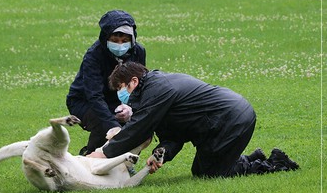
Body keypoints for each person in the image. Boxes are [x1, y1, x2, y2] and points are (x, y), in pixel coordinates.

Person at [88, 62, 299, 178]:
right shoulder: (156, 88)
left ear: (133, 81)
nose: (120, 95)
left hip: (230, 118)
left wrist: (104, 153)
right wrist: (161, 154)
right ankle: (254, 157)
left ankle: (274, 164)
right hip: (226, 119)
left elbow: (139, 128)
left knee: (209, 173)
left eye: (120, 88)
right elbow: (173, 135)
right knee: (203, 169)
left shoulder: (157, 88)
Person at [66, 10, 146, 155]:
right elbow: (94, 95)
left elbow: (140, 85)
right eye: (115, 41)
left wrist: (129, 108)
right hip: (85, 101)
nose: (120, 45)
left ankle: (126, 161)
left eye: (125, 41)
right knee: (104, 123)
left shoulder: (138, 51)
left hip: (119, 100)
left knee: (137, 122)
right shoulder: (93, 56)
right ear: (105, 38)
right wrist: (114, 126)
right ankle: (90, 156)